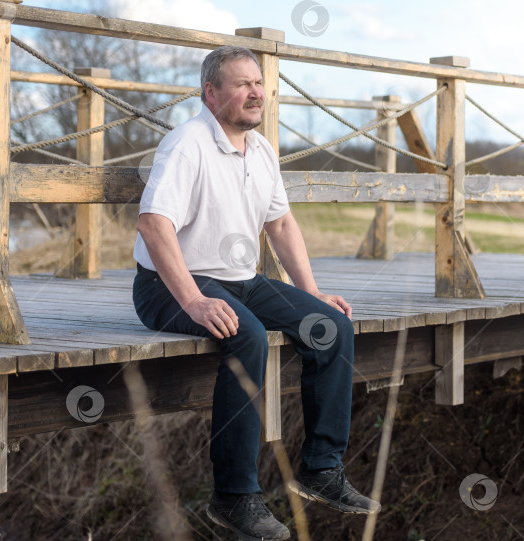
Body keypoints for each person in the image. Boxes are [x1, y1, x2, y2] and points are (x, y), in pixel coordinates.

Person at [132, 45, 380, 541]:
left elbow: (282, 224)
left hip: (241, 279)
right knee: (247, 338)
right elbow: (154, 224)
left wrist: (312, 294)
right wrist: (195, 302)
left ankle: (321, 470)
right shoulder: (188, 144)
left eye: (259, 83)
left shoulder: (262, 149)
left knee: (330, 327)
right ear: (211, 93)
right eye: (243, 83)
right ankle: (235, 497)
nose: (256, 92)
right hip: (170, 284)